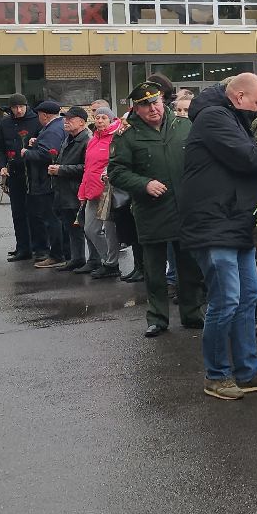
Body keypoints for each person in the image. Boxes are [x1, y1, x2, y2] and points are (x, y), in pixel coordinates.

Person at [180, 73, 257, 401]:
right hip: (213, 224)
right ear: (240, 96)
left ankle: (248, 371)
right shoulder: (215, 117)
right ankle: (217, 375)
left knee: (248, 296)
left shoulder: (232, 117)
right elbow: (247, 158)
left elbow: (242, 171)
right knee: (227, 300)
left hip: (234, 222)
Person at [108, 81, 198, 338]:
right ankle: (158, 318)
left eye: (155, 102)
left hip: (186, 208)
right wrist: (144, 184)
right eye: (145, 105)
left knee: (190, 267)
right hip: (152, 210)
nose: (152, 108)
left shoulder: (184, 126)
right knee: (155, 270)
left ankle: (193, 313)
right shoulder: (127, 136)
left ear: (163, 101)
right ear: (136, 109)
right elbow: (116, 171)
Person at [78, 101, 122, 278]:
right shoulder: (93, 139)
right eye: (97, 117)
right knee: (90, 229)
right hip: (91, 191)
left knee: (110, 231)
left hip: (107, 191)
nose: (100, 120)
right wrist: (82, 191)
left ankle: (112, 264)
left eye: (104, 117)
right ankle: (108, 260)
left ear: (111, 119)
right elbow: (87, 168)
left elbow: (115, 163)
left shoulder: (116, 138)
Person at [47, 106, 93, 271]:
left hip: (77, 190)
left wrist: (61, 170)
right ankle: (77, 258)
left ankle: (89, 260)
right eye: (65, 118)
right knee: (71, 226)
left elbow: (87, 167)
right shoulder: (69, 138)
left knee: (82, 227)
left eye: (70, 119)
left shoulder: (87, 140)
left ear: (81, 122)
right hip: (65, 190)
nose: (66, 122)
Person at [21, 100, 66, 264]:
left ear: (45, 115)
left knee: (51, 219)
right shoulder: (59, 126)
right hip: (52, 181)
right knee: (58, 219)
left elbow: (47, 155)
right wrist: (36, 142)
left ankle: (56, 255)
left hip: (46, 182)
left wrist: (26, 152)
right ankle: (63, 253)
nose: (38, 117)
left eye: (39, 114)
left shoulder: (52, 130)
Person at [0, 95, 36, 262]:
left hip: (32, 172)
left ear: (26, 106)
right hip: (14, 172)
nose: (18, 110)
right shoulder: (5, 122)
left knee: (33, 212)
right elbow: (0, 147)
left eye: (21, 107)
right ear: (10, 108)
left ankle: (37, 246)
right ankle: (22, 247)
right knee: (18, 212)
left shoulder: (35, 120)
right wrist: (3, 165)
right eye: (14, 107)